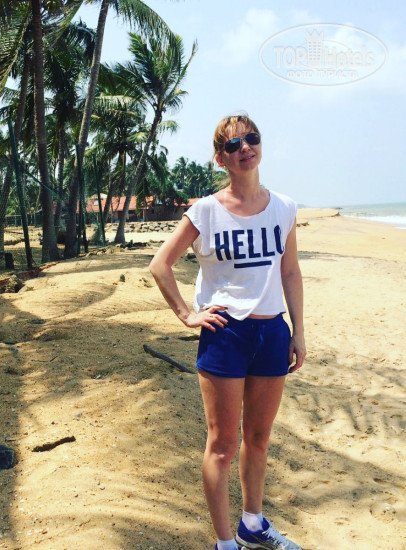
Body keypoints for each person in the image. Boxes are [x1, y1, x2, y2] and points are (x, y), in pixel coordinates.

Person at [149, 114, 306, 550]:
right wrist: (186, 315)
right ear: (221, 158)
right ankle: (225, 543)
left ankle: (252, 524)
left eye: (251, 139)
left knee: (258, 439)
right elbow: (160, 265)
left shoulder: (284, 208)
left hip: (272, 333)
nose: (245, 148)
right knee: (222, 444)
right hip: (225, 336)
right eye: (233, 145)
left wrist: (298, 332)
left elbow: (290, 272)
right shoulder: (205, 211)